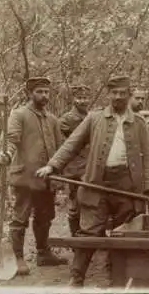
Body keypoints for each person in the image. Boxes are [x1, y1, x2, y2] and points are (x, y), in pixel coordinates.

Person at [35, 75, 149, 287]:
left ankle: (118, 278)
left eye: (122, 93)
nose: (118, 97)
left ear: (129, 95)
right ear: (108, 95)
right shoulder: (94, 118)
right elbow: (71, 144)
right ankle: (76, 279)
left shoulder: (138, 123)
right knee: (89, 230)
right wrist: (52, 166)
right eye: (114, 93)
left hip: (127, 186)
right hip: (97, 184)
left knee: (124, 232)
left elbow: (147, 158)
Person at [0, 77, 68, 276]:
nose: (44, 95)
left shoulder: (53, 119)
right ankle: (17, 257)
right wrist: (7, 154)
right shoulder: (18, 114)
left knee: (45, 216)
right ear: (30, 93)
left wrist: (57, 173)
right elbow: (12, 139)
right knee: (20, 218)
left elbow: (59, 148)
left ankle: (43, 253)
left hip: (46, 178)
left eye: (46, 92)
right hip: (25, 178)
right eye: (39, 92)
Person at [59, 84, 91, 237]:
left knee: (89, 203)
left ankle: (86, 235)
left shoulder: (91, 117)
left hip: (89, 167)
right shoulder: (66, 120)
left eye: (85, 98)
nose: (83, 101)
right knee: (75, 205)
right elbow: (66, 145)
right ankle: (75, 237)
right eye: (80, 98)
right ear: (73, 99)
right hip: (74, 169)